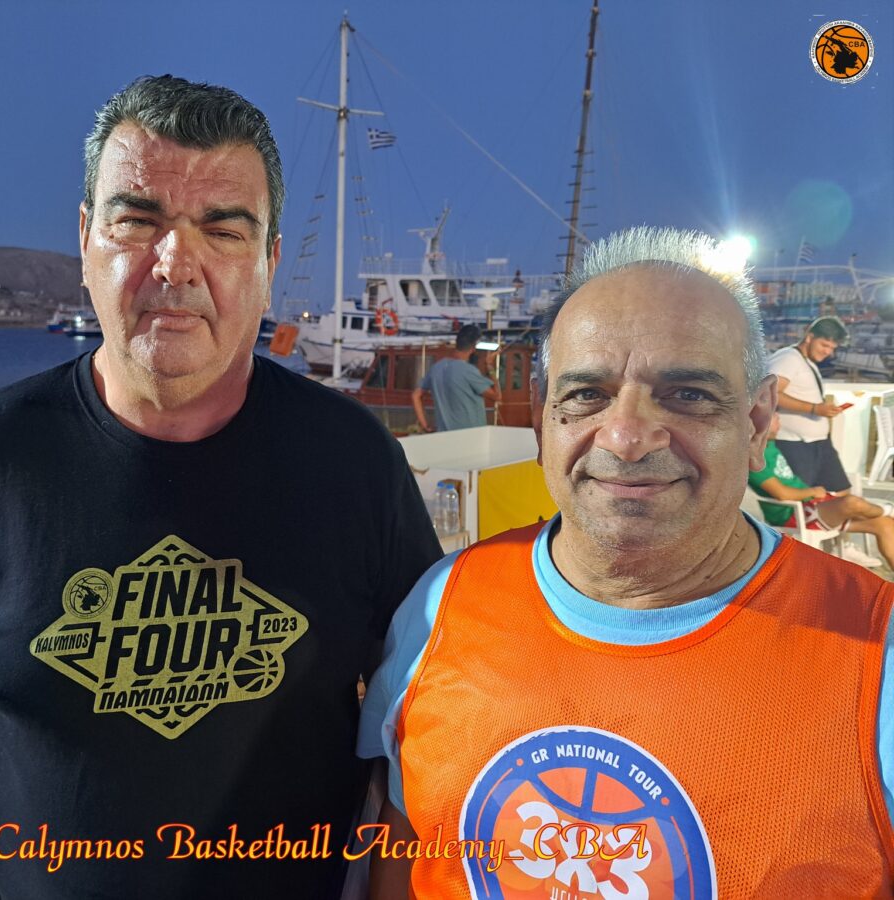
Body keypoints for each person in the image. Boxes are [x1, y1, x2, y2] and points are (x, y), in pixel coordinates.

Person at [0, 75, 441, 900]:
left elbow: (430, 708)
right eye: (137, 220)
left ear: (269, 264)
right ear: (85, 239)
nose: (176, 263)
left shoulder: (357, 466)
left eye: (223, 230)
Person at [359, 227, 894, 898]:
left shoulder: (877, 656)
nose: (627, 437)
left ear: (758, 424)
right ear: (543, 423)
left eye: (688, 394)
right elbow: (406, 846)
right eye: (587, 394)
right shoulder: (440, 605)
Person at [750, 411, 894, 568]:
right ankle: (888, 510)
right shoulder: (753, 459)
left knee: (886, 525)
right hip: (793, 514)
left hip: (813, 507)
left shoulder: (770, 446)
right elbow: (782, 494)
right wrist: (813, 492)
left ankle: (886, 512)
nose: (780, 422)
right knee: (852, 503)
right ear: (759, 423)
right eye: (775, 418)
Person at [767, 316, 852, 492]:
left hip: (818, 444)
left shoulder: (807, 362)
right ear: (809, 337)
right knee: (806, 497)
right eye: (824, 345)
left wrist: (822, 409)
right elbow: (770, 393)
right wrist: (815, 409)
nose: (828, 352)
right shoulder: (788, 358)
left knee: (842, 492)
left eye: (832, 348)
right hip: (795, 444)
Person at [411, 323, 499, 432]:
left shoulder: (436, 368)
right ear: (473, 348)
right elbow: (497, 396)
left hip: (444, 434)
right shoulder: (469, 371)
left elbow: (416, 396)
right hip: (471, 435)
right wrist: (489, 366)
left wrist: (426, 426)